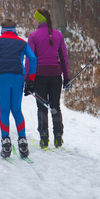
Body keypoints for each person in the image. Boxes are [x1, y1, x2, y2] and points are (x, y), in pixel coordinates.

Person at [0, 18, 37, 159]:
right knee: (16, 110)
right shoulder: (22, 43)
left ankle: (6, 142)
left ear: (2, 30)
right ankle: (22, 141)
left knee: (4, 110)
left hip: (3, 76)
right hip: (18, 76)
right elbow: (33, 58)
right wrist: (31, 80)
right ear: (15, 30)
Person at [25, 8, 70, 148]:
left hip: (40, 76)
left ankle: (44, 137)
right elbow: (64, 57)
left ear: (39, 20)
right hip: (56, 75)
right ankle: (58, 137)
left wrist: (28, 79)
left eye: (35, 18)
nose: (33, 21)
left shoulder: (33, 36)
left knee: (42, 107)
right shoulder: (58, 35)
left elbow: (30, 59)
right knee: (55, 106)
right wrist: (67, 77)